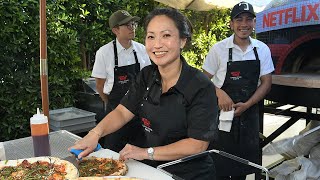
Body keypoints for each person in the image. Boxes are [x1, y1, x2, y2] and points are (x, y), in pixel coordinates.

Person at [70, 8, 218, 180]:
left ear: (182, 41)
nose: (157, 44)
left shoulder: (200, 86)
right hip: (153, 171)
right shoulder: (147, 75)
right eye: (151, 36)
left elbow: (197, 144)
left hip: (191, 174)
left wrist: (146, 152)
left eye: (166, 35)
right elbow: (122, 111)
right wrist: (94, 134)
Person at [202, 2, 274, 180]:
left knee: (243, 168)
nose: (244, 24)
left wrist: (248, 104)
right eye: (239, 19)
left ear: (254, 23)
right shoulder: (219, 49)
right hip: (222, 117)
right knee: (219, 166)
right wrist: (219, 93)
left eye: (249, 19)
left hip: (249, 118)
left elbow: (266, 82)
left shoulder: (262, 49)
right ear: (231, 24)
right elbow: (203, 80)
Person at [91, 10, 151, 152]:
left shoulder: (142, 50)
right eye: (127, 25)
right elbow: (100, 85)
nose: (132, 27)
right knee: (112, 153)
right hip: (115, 113)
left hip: (140, 114)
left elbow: (148, 80)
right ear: (115, 30)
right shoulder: (104, 53)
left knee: (140, 154)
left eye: (133, 23)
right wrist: (110, 103)